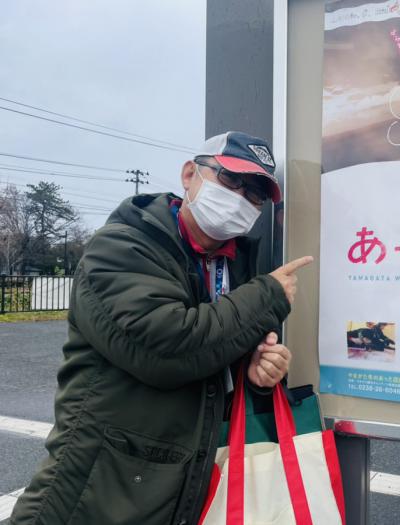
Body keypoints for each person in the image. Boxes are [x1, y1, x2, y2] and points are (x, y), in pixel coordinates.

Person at [10, 131, 313, 525]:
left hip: (178, 488)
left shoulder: (240, 265)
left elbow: (214, 352)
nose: (240, 198)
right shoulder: (123, 247)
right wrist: (267, 297)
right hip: (95, 491)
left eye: (254, 194)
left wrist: (255, 374)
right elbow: (166, 349)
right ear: (190, 174)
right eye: (230, 179)